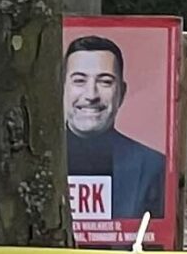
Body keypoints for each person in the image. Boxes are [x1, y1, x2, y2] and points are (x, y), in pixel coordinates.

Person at [64, 35, 169, 224]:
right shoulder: (32, 163)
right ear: (61, 89)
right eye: (79, 81)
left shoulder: (153, 166)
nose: (91, 95)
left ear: (121, 92)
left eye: (105, 81)